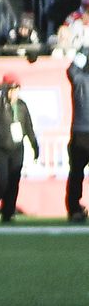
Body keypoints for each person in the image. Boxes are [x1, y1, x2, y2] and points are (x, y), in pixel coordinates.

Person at [0, 75, 39, 222]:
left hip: (17, 149)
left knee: (13, 183)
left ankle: (8, 212)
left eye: (16, 89)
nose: (14, 93)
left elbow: (28, 127)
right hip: (0, 149)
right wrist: (4, 86)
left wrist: (34, 145)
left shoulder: (22, 106)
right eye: (11, 89)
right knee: (1, 182)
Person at [66, 49, 89, 222]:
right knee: (76, 173)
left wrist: (84, 50)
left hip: (80, 132)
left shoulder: (80, 80)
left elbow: (71, 69)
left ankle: (74, 209)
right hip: (81, 130)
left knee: (76, 173)